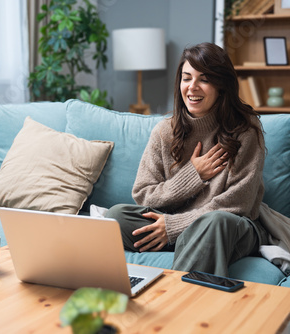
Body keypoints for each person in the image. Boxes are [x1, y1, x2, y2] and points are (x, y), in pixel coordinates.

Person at [105, 42, 268, 277]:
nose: (192, 87)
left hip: (231, 227)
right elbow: (143, 194)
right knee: (116, 217)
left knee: (214, 223)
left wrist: (172, 227)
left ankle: (177, 304)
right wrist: (193, 175)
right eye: (186, 78)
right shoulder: (164, 131)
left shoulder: (245, 131)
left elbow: (236, 204)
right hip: (176, 222)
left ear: (221, 85)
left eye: (204, 79)